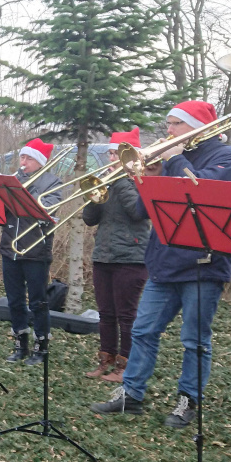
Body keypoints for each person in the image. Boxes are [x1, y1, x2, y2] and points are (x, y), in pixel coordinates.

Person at [90, 100, 231, 428]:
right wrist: (144, 176)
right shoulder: (169, 159)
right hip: (164, 262)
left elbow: (200, 194)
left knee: (194, 339)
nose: (168, 131)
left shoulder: (225, 158)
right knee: (143, 330)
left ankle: (188, 399)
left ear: (195, 126)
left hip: (203, 264)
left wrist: (174, 158)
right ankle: (132, 392)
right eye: (168, 124)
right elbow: (143, 210)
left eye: (175, 124)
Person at [82, 127, 150, 382]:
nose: (111, 159)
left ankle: (126, 366)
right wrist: (94, 195)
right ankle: (106, 359)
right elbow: (89, 220)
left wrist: (120, 180)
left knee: (127, 315)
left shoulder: (139, 182)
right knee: (106, 313)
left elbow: (137, 211)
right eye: (110, 154)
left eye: (117, 154)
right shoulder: (108, 183)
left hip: (131, 257)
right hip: (104, 255)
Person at [0, 138, 62, 366]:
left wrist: (27, 193)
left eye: (28, 158)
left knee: (38, 301)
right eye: (22, 157)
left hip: (36, 251)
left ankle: (41, 346)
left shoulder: (52, 182)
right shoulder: (13, 181)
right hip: (10, 248)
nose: (23, 162)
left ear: (39, 161)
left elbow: (51, 210)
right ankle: (20, 343)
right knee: (14, 300)